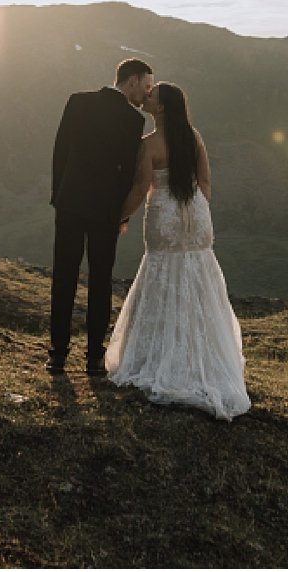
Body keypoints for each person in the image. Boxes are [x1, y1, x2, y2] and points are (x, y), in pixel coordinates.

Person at [105, 82, 250, 420]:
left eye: (153, 94)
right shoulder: (193, 137)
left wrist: (119, 215)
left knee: (162, 270)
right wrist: (198, 207)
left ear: (162, 108)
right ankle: (206, 356)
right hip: (196, 211)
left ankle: (160, 357)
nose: (148, 95)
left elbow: (142, 188)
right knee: (198, 273)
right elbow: (206, 181)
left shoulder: (149, 144)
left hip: (165, 214)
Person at [48, 58, 154, 375]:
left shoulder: (78, 101)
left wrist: (59, 196)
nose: (146, 95)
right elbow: (126, 176)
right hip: (106, 211)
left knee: (64, 278)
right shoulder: (133, 121)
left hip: (70, 203)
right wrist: (121, 216)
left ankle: (58, 354)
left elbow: (60, 152)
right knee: (100, 281)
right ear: (132, 80)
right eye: (146, 86)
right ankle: (94, 357)